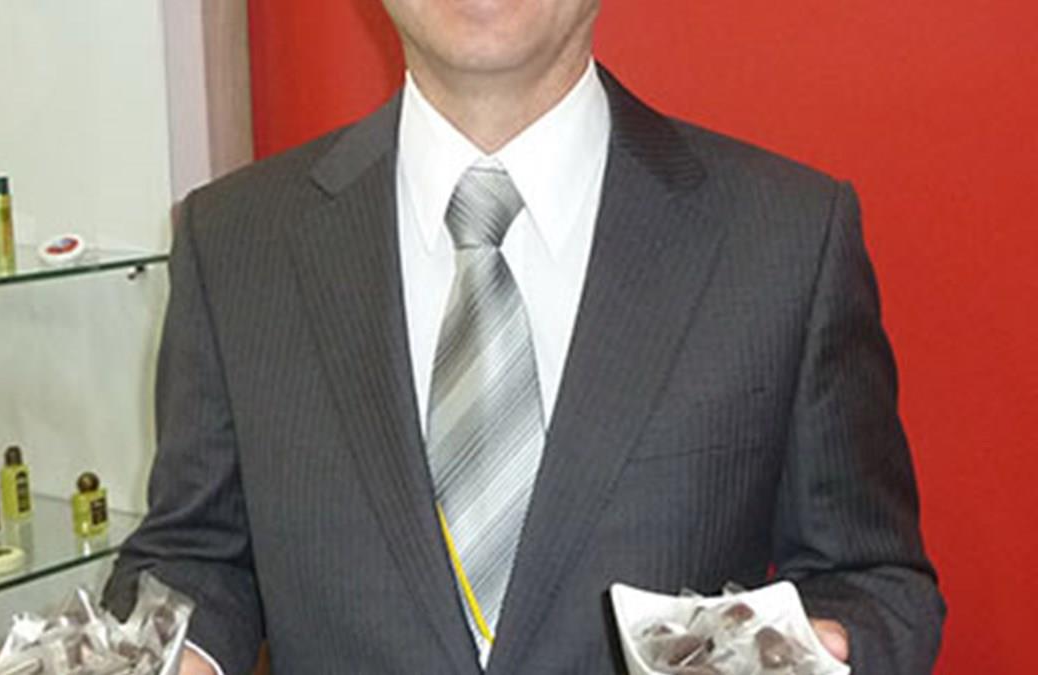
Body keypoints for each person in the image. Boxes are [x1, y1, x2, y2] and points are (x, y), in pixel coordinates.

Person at [103, 2, 944, 673]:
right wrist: (158, 655)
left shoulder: (786, 238)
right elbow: (196, 557)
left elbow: (873, 581)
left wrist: (823, 650)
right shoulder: (235, 241)